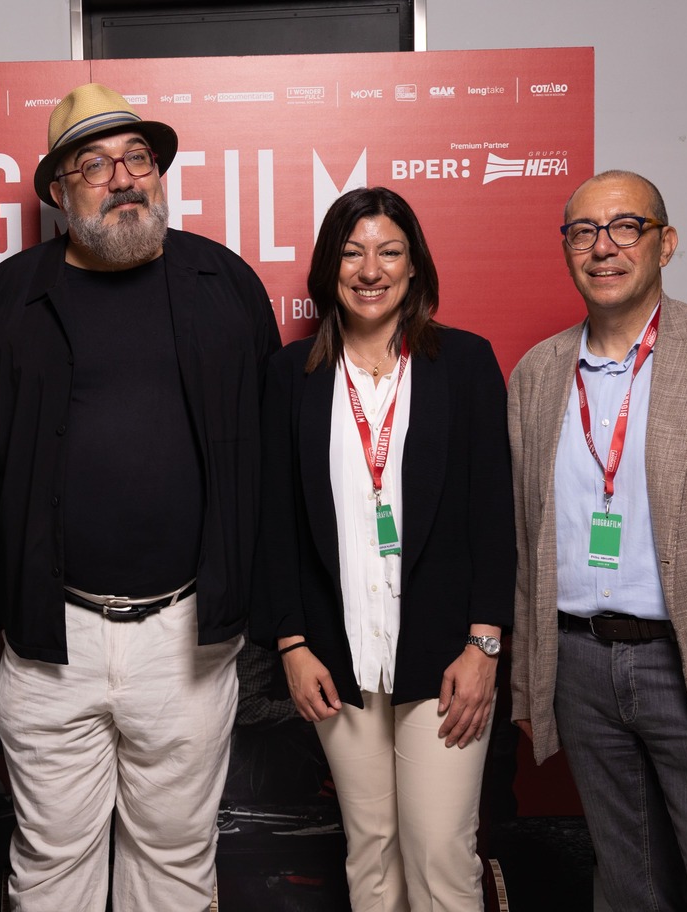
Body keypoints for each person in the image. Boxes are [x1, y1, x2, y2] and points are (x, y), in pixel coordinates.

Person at [0, 82, 280, 910]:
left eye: (138, 158)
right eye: (95, 165)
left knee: (175, 863)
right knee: (49, 865)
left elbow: (269, 457)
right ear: (59, 192)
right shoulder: (4, 301)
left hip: (187, 635)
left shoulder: (224, 284)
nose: (124, 177)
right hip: (49, 638)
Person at [509, 170, 687, 910]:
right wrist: (529, 679)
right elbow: (524, 538)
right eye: (583, 231)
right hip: (579, 669)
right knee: (630, 890)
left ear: (665, 243)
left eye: (625, 227)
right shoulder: (538, 374)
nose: (603, 247)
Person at [252, 187, 513, 910]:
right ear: (328, 268)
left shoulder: (465, 364)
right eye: (352, 252)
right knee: (369, 849)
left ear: (414, 265)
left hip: (448, 659)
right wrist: (292, 643)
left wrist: (484, 646)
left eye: (389, 252)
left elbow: (495, 515)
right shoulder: (291, 375)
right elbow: (276, 521)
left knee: (440, 853)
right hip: (337, 660)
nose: (371, 270)